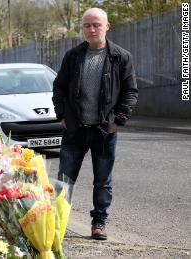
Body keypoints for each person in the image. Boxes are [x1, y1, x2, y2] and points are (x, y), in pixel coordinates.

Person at [52, 8, 138, 240]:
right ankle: (57, 223)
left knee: (102, 182)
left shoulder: (121, 57)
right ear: (83, 28)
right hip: (75, 131)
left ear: (107, 26)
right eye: (87, 25)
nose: (91, 29)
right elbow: (59, 86)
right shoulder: (73, 56)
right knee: (65, 180)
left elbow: (130, 91)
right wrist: (62, 115)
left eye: (96, 25)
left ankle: (98, 223)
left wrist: (118, 120)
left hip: (104, 131)